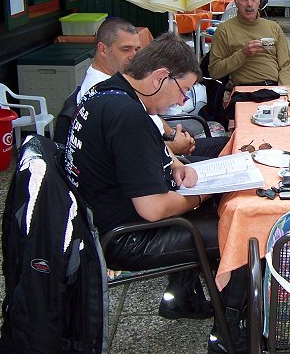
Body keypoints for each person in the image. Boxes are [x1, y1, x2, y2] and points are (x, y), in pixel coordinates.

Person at [64, 33, 219, 323]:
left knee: (213, 195)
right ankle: (231, 330)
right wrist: (203, 194)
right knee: (236, 230)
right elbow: (154, 208)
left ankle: (184, 297)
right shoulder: (128, 117)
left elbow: (140, 151)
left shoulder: (108, 92)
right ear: (160, 77)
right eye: (184, 90)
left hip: (99, 221)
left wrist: (174, 163)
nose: (183, 100)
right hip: (127, 238)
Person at [78, 17, 228, 159]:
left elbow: (151, 115)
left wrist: (172, 134)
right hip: (158, 154)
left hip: (162, 146)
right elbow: (134, 150)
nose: (133, 56)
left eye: (137, 49)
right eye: (126, 49)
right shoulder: (103, 93)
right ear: (103, 49)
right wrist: (175, 147)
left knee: (229, 145)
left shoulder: (121, 79)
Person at [208, 0, 290, 87]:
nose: (249, 4)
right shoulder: (224, 30)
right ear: (235, 2)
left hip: (274, 88)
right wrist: (243, 54)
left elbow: (286, 65)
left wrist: (285, 90)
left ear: (259, 1)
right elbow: (214, 72)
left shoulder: (273, 27)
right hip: (245, 89)